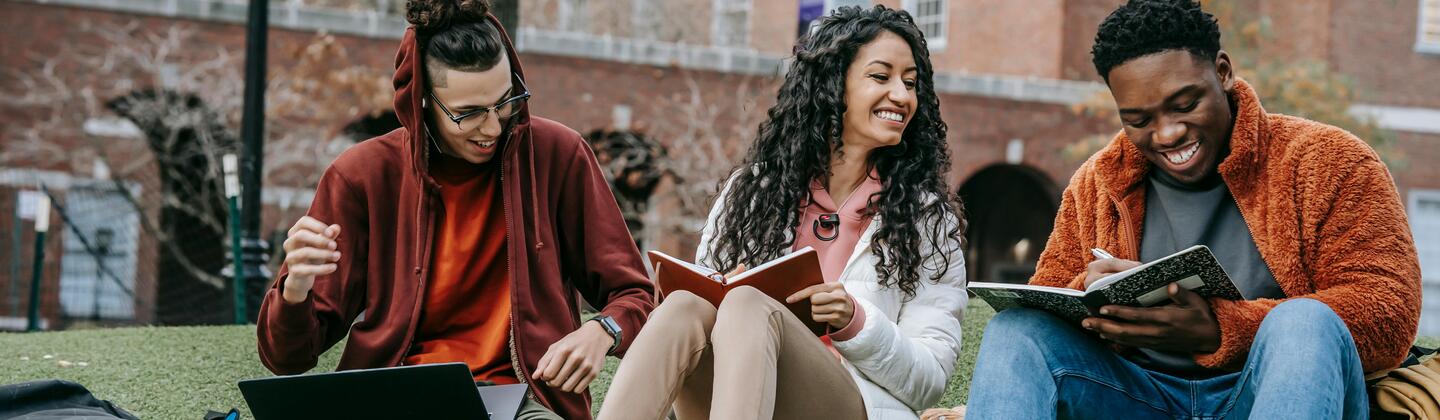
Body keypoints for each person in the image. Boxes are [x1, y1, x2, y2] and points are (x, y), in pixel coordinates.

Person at [965, 1, 1422, 418]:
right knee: (1017, 330)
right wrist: (1090, 293)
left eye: (1185, 105)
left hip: (1268, 393)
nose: (1166, 135)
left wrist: (1222, 329)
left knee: (1302, 322)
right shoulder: (1098, 182)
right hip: (1137, 396)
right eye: (1138, 120)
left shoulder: (1328, 161)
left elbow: (1388, 313)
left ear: (1222, 72)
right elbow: (1050, 299)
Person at [254, 2, 655, 419]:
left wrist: (603, 329)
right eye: (468, 114)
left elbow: (635, 293)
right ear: (422, 100)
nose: (494, 127)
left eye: (505, 101)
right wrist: (296, 287)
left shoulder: (559, 155)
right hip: (393, 395)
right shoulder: (361, 176)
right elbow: (286, 359)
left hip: (522, 403)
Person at [598, 5, 968, 420]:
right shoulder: (752, 191)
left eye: (910, 83)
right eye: (880, 77)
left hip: (846, 404)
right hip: (731, 392)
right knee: (687, 305)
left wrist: (856, 322)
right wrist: (720, 290)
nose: (901, 96)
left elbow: (930, 378)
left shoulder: (927, 219)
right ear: (832, 85)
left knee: (751, 305)